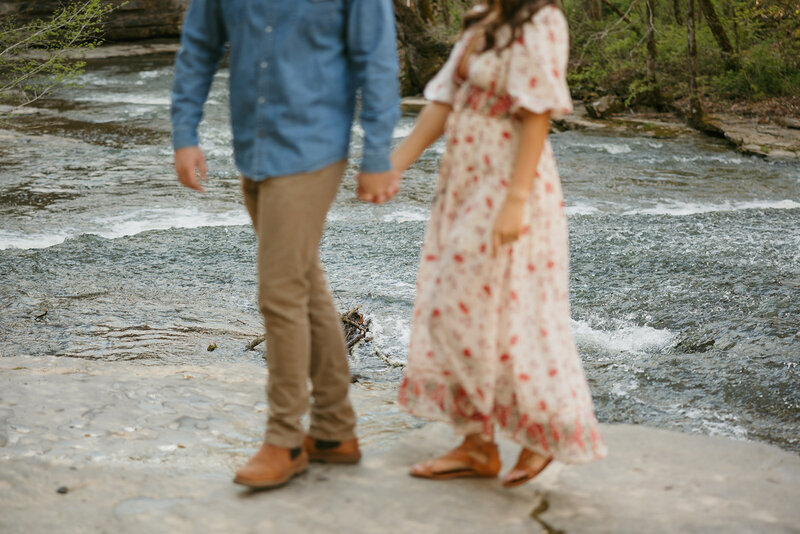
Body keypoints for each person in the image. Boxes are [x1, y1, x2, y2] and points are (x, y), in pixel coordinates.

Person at [171, 0, 401, 490]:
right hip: (254, 148)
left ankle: (285, 439)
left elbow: (377, 60)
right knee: (303, 281)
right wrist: (183, 132)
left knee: (279, 294)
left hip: (313, 149)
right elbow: (198, 46)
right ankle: (336, 430)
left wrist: (378, 153)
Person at [392, 0, 606, 487]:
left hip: (511, 184)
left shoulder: (542, 20)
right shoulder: (482, 17)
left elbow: (537, 114)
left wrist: (515, 200)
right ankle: (477, 443)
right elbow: (444, 103)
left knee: (518, 312)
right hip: (464, 183)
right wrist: (394, 164)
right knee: (457, 310)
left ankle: (542, 435)